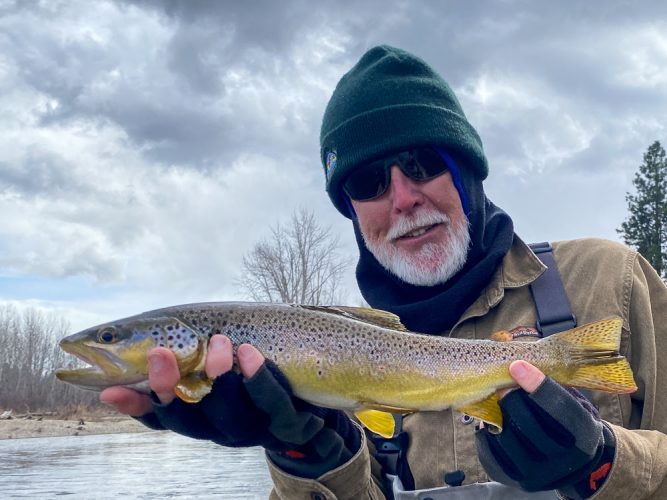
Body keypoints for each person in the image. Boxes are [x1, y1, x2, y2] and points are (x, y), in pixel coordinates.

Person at [101, 45, 667, 499]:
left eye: (421, 165)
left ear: (467, 172)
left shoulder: (608, 279)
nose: (401, 197)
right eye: (368, 182)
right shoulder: (327, 346)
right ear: (351, 210)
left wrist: (604, 466)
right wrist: (310, 458)